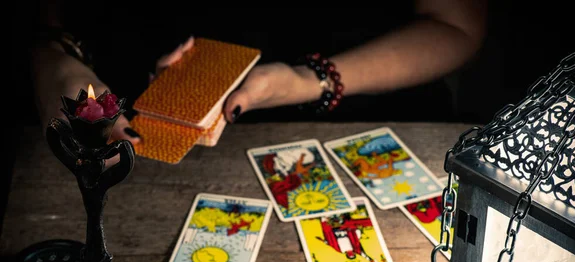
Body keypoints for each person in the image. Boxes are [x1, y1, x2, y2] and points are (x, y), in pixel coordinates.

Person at [26, 2, 488, 146]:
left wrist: (313, 79)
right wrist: (51, 55)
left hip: (371, 115)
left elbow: (457, 26)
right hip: (132, 117)